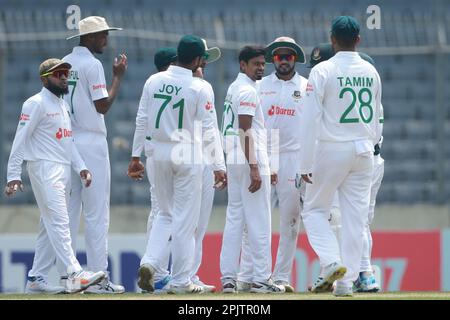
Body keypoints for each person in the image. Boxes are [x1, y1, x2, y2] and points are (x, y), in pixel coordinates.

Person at [4, 58, 106, 294]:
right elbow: (20, 140)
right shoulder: (35, 103)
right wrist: (13, 175)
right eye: (58, 74)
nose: (63, 77)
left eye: (65, 73)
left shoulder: (62, 105)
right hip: (43, 167)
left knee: (48, 225)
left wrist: (81, 166)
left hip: (62, 169)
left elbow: (67, 140)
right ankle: (73, 273)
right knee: (60, 221)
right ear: (44, 79)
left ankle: (36, 278)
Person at [134, 35, 226, 294]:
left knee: (164, 214)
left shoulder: (154, 80)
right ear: (197, 59)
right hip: (187, 156)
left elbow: (142, 119)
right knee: (186, 222)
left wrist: (134, 156)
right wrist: (219, 165)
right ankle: (181, 280)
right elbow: (209, 129)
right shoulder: (199, 87)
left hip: (157, 154)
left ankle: (150, 262)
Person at [299, 16, 383, 296]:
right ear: (358, 39)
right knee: (355, 221)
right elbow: (378, 119)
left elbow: (311, 119)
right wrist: (369, 145)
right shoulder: (371, 71)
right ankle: (345, 284)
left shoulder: (322, 70)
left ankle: (331, 261)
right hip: (364, 150)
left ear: (332, 40)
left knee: (313, 211)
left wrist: (305, 163)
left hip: (332, 147)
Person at [60, 15, 127, 293]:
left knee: (70, 212)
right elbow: (103, 106)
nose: (106, 39)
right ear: (89, 37)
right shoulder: (93, 64)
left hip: (68, 142)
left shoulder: (64, 62)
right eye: (102, 35)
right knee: (97, 214)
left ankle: (69, 277)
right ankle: (100, 280)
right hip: (91, 142)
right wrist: (117, 78)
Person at [236, 37, 308, 293]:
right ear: (272, 60)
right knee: (253, 218)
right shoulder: (259, 85)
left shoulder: (307, 87)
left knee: (290, 219)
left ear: (296, 59)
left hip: (293, 156)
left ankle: (280, 277)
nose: (284, 61)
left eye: (289, 56)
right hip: (264, 153)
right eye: (279, 57)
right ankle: (247, 275)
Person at [220, 46, 285, 294]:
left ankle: (228, 278)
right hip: (248, 157)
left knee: (235, 218)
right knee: (259, 219)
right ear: (242, 65)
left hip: (234, 157)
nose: (260, 68)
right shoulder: (247, 90)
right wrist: (256, 167)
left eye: (262, 64)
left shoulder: (235, 87)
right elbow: (245, 128)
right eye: (255, 64)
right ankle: (261, 279)